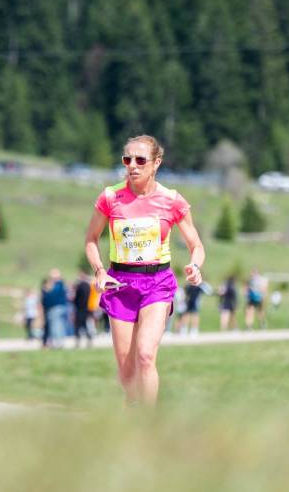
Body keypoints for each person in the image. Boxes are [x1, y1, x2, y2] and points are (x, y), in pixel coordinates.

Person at [85, 134, 205, 406]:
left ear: (156, 163)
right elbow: (91, 239)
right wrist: (99, 271)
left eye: (141, 160)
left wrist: (195, 266)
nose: (133, 165)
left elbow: (196, 245)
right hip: (120, 284)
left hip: (157, 283)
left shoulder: (171, 200)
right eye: (128, 159)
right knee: (127, 372)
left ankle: (149, 429)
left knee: (145, 356)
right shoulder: (110, 197)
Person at [41, 269, 68, 349]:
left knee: (56, 326)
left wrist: (46, 291)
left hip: (55, 308)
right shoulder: (61, 285)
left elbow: (52, 297)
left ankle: (58, 343)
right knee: (59, 325)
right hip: (59, 307)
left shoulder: (58, 285)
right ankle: (59, 342)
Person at [72, 269, 93, 348]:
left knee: (78, 325)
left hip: (80, 308)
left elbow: (76, 298)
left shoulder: (80, 286)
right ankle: (89, 339)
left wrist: (74, 301)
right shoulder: (88, 285)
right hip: (87, 308)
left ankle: (77, 341)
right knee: (85, 325)